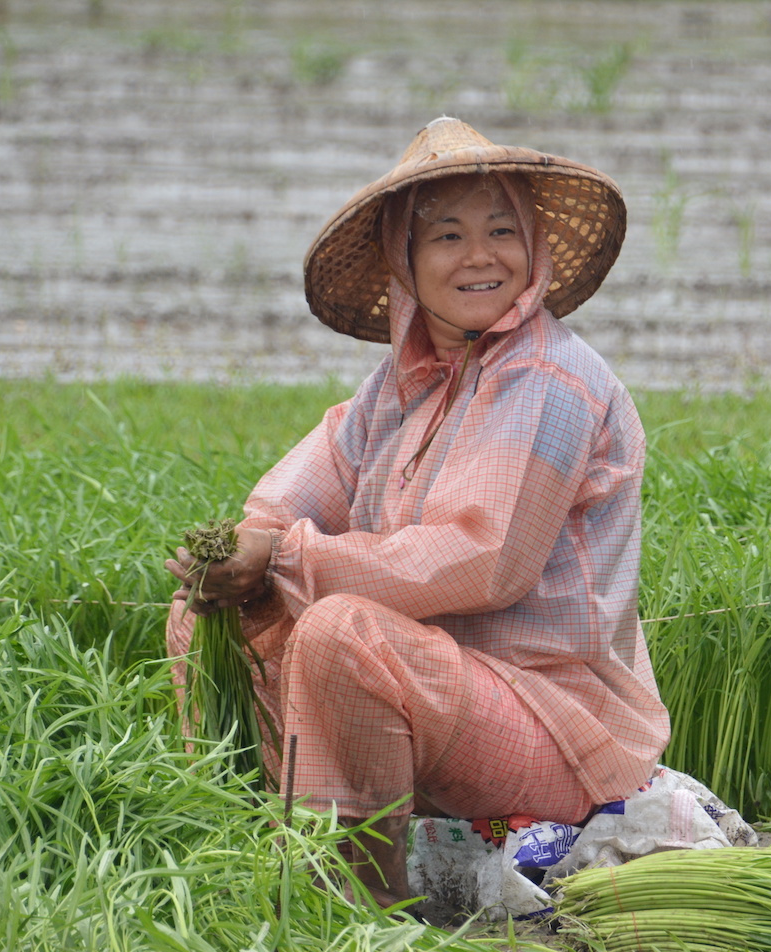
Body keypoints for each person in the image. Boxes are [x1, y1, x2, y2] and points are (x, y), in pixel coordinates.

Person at [164, 117, 669, 907]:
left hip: (557, 722)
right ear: (406, 258)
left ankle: (371, 906)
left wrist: (290, 560)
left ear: (533, 248)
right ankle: (238, 857)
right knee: (203, 620)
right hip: (445, 698)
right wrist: (244, 549)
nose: (480, 256)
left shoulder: (550, 379)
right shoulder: (403, 384)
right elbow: (305, 484)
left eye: (502, 230)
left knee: (343, 634)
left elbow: (486, 559)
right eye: (447, 236)